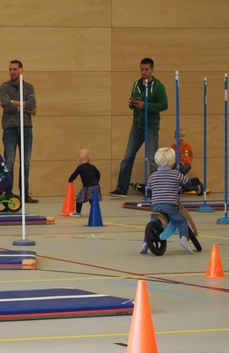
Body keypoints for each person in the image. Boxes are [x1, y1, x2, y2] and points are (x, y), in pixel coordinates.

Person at [111, 57, 168, 197]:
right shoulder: (136, 84)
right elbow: (134, 101)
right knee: (128, 156)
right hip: (136, 126)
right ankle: (121, 188)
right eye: (142, 69)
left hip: (151, 127)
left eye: (146, 69)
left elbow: (164, 105)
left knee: (152, 159)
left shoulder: (158, 86)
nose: (144, 72)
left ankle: (154, 190)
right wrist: (131, 103)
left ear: (152, 69)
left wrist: (145, 105)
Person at [0, 59, 38, 203]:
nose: (12, 72)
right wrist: (25, 107)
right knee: (9, 162)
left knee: (25, 162)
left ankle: (24, 194)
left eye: (15, 69)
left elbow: (32, 103)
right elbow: (5, 104)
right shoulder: (4, 87)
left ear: (21, 70)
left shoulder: (28, 87)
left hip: (26, 128)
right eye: (10, 69)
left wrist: (14, 103)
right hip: (9, 129)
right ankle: (8, 194)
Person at [140, 147, 192, 255]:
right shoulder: (175, 174)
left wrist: (153, 196)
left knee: (153, 222)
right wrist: (184, 187)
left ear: (157, 162)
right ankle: (183, 239)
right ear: (173, 162)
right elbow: (187, 182)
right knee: (182, 220)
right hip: (169, 205)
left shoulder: (153, 176)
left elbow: (148, 190)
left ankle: (145, 243)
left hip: (155, 206)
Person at [67, 148, 101, 217]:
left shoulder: (80, 167)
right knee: (92, 200)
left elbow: (74, 175)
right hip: (96, 186)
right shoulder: (92, 167)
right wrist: (96, 182)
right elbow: (98, 174)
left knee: (79, 198)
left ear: (80, 160)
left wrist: (70, 180)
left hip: (87, 186)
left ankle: (78, 212)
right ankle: (96, 212)